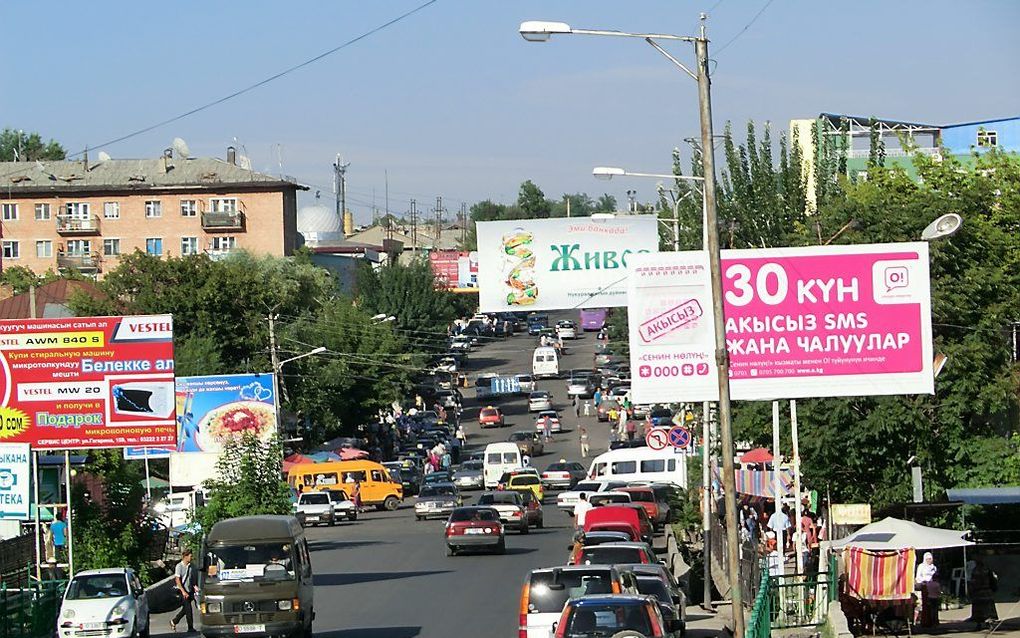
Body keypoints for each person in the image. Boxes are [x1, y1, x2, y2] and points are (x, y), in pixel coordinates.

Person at [171, 549, 198, 633]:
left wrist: (195, 586)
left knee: (185, 609)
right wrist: (183, 591)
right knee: (188, 609)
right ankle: (190, 628)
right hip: (182, 590)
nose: (191, 557)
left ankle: (174, 621)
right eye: (190, 556)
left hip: (190, 590)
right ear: (185, 557)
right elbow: (177, 580)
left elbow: (192, 578)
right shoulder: (179, 566)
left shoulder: (191, 566)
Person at [967, 556, 998, 628]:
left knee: (979, 610)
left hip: (978, 593)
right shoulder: (987, 570)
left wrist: (971, 592)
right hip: (986, 591)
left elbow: (972, 582)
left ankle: (979, 624)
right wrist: (994, 589)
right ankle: (989, 624)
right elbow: (992, 580)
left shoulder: (975, 571)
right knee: (988, 610)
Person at [915, 552, 938, 627]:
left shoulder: (934, 567)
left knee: (934, 605)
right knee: (926, 605)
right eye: (928, 559)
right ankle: (926, 621)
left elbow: (936, 576)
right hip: (925, 587)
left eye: (930, 559)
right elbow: (918, 577)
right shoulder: (921, 566)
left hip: (933, 588)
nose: (929, 560)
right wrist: (924, 581)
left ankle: (934, 620)